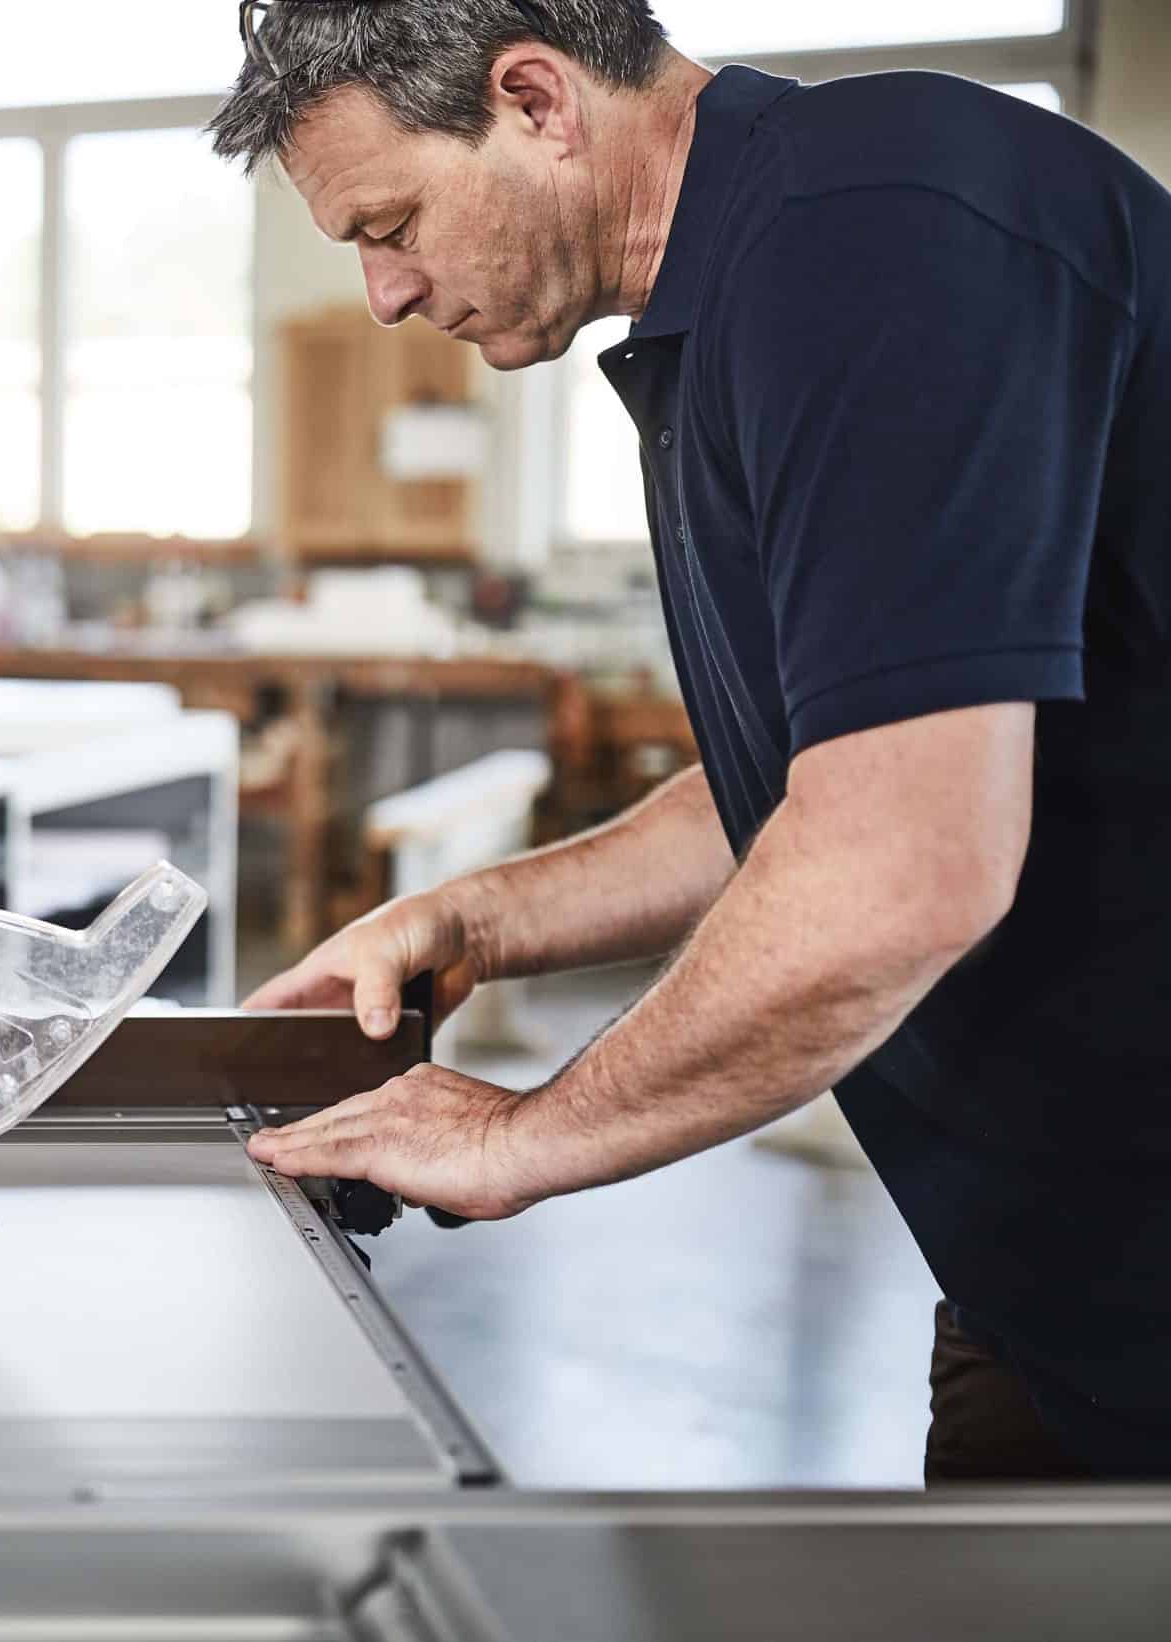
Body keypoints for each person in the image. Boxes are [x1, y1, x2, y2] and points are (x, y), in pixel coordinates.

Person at [213, 0, 1171, 1482]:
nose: (386, 294)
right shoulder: (743, 294)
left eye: (391, 223)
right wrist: (477, 913)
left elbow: (897, 865)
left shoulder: (873, 236)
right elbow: (811, 774)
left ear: (535, 100)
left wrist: (524, 1134)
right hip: (1060, 1268)